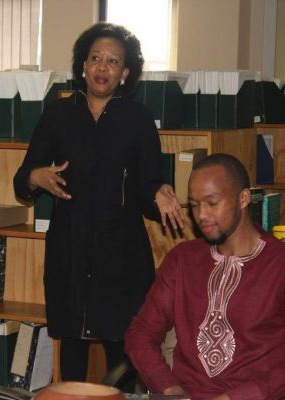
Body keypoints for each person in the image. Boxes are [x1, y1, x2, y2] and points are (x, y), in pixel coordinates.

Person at [13, 22, 185, 381]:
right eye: (95, 59)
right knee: (72, 349)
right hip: (70, 251)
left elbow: (149, 186)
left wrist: (159, 192)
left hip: (121, 257)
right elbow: (22, 180)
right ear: (83, 66)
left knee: (123, 350)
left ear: (125, 73)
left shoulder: (138, 119)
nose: (102, 67)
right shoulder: (58, 115)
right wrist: (36, 177)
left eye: (112, 61)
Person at [124, 154, 285, 400]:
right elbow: (141, 333)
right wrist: (168, 388)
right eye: (194, 205)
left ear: (243, 198)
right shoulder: (182, 260)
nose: (201, 215)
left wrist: (239, 397)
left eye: (212, 203)